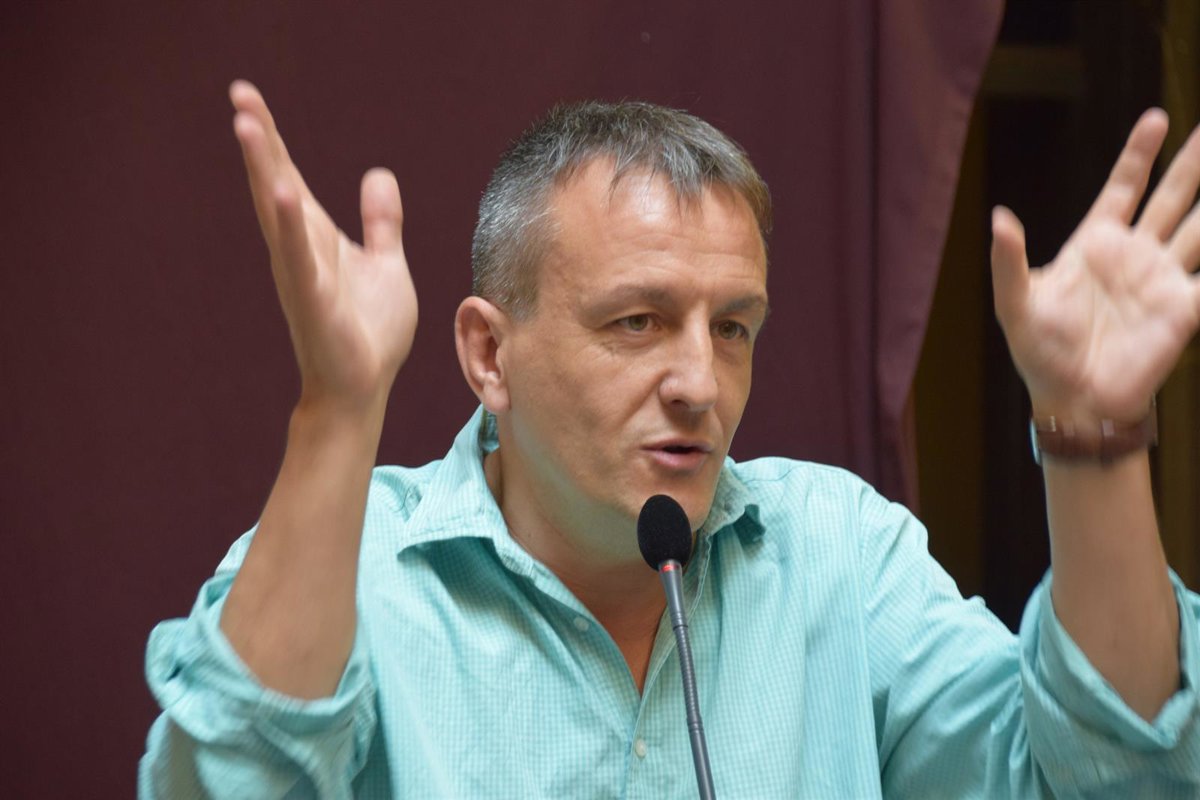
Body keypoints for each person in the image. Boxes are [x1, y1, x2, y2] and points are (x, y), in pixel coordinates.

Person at [139, 79, 1200, 798]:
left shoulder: (838, 550)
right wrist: (338, 409)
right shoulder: (354, 565)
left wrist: (1093, 434)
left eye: (733, 327)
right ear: (489, 354)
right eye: (638, 322)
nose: (701, 384)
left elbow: (1115, 777)